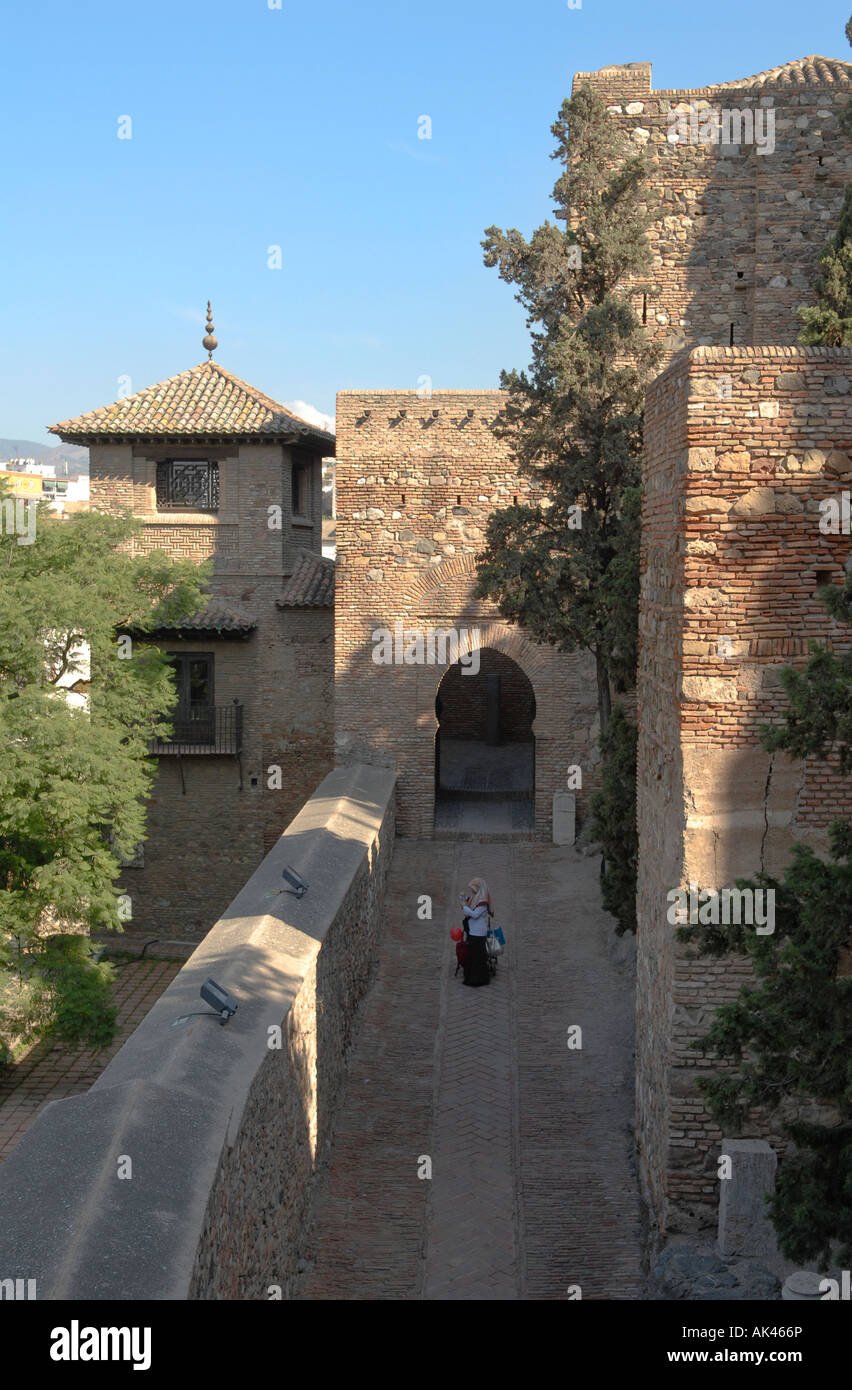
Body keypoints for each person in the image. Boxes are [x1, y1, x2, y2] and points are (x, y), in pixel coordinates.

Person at [460, 877, 493, 987]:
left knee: (477, 957)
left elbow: (474, 914)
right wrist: (465, 901)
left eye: (473, 889)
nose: (472, 891)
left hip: (478, 932)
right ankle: (472, 977)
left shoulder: (482, 902)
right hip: (473, 931)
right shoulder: (475, 898)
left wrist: (464, 906)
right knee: (472, 956)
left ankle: (478, 979)